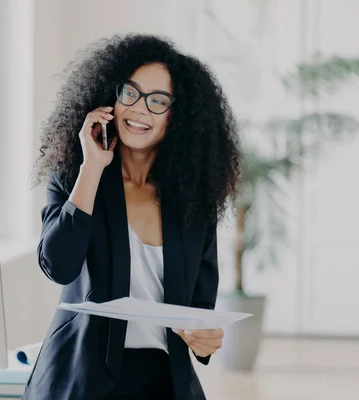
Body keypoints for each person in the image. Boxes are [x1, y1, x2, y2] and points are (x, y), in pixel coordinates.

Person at [23, 34, 241, 400]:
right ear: (112, 96)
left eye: (158, 101)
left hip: (164, 381)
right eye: (130, 93)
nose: (139, 109)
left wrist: (205, 340)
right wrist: (92, 168)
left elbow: (200, 308)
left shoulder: (193, 199)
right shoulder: (77, 175)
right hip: (81, 378)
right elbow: (58, 265)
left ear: (178, 116)